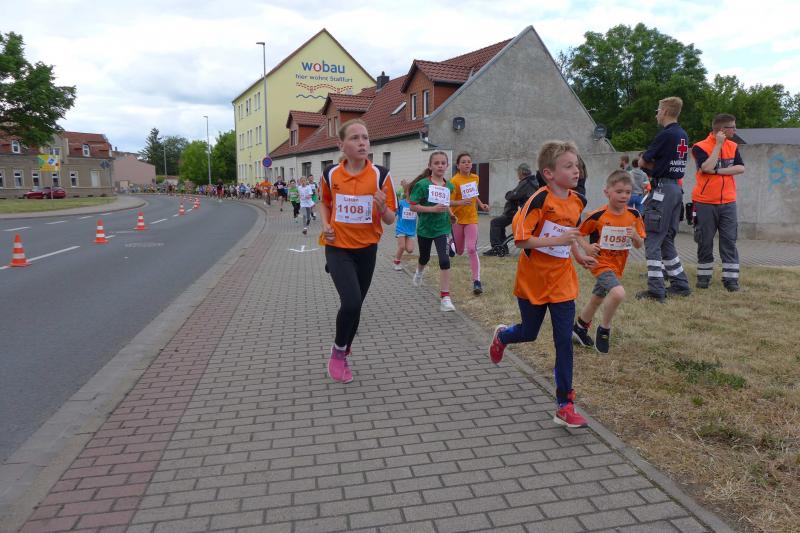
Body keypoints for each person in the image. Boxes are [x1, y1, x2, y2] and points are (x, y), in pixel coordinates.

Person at [489, 140, 597, 429]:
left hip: (562, 281)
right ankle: (503, 336)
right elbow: (521, 240)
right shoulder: (538, 200)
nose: (576, 170)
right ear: (549, 173)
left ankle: (565, 404)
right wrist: (558, 240)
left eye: (576, 165)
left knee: (563, 341)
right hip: (533, 280)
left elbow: (569, 233)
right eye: (568, 166)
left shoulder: (578, 201)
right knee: (529, 332)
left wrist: (580, 255)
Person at [318, 118, 396, 383]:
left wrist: (382, 207)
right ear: (341, 145)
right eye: (355, 138)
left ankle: (345, 347)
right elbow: (324, 203)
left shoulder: (381, 175)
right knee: (350, 302)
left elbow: (390, 219)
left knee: (356, 307)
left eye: (365, 137)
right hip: (337, 247)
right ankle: (338, 353)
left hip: (367, 250)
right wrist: (326, 224)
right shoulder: (330, 174)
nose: (362, 142)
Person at [572, 170, 646, 354]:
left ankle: (579, 328)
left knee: (598, 298)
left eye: (628, 192)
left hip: (618, 265)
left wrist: (635, 236)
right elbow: (578, 233)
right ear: (607, 192)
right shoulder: (597, 215)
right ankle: (604, 329)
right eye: (619, 191)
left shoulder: (634, 215)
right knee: (618, 293)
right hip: (600, 263)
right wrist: (587, 248)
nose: (624, 196)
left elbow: (639, 244)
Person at [636, 96, 692, 302]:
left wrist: (650, 165)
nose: (657, 115)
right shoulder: (682, 134)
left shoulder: (665, 135)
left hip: (662, 190)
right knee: (666, 238)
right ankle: (680, 284)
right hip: (676, 189)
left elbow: (643, 161)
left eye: (658, 110)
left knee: (652, 238)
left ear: (666, 111)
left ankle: (656, 290)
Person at [691, 113, 745, 291]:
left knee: (729, 241)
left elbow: (740, 168)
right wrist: (718, 145)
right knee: (704, 240)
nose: (735, 130)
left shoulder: (733, 146)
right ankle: (703, 278)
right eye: (732, 127)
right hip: (705, 202)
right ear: (722, 130)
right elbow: (706, 167)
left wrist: (717, 171)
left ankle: (731, 280)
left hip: (728, 202)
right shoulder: (699, 147)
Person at [408, 151, 456, 312]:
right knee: (425, 257)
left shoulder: (449, 186)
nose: (440, 166)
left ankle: (445, 298)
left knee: (444, 260)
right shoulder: (422, 185)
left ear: (447, 166)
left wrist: (451, 214)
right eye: (436, 163)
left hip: (442, 228)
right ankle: (419, 272)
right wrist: (432, 209)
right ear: (430, 166)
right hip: (425, 229)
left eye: (443, 163)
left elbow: (445, 203)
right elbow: (413, 206)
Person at [450, 153, 490, 294]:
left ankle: (477, 282)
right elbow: (449, 202)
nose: (467, 164)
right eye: (463, 162)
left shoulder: (475, 178)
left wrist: (481, 204)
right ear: (458, 165)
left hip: (472, 219)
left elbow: (474, 194)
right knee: (460, 251)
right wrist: (461, 203)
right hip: (457, 219)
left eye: (469, 161)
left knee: (472, 249)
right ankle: (452, 244)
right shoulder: (454, 181)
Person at [485, 163, 539, 256]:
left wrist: (509, 194)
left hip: (519, 213)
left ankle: (497, 248)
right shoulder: (532, 181)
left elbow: (512, 195)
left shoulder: (526, 183)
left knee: (495, 223)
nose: (517, 174)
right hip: (524, 212)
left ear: (521, 172)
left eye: (518, 172)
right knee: (499, 223)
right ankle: (502, 248)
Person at [393, 181, 417, 271]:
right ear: (406, 193)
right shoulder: (401, 203)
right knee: (402, 246)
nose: (411, 194)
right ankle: (396, 262)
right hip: (401, 228)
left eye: (413, 192)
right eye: (409, 192)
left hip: (411, 230)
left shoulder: (416, 204)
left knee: (410, 250)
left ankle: (399, 256)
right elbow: (395, 213)